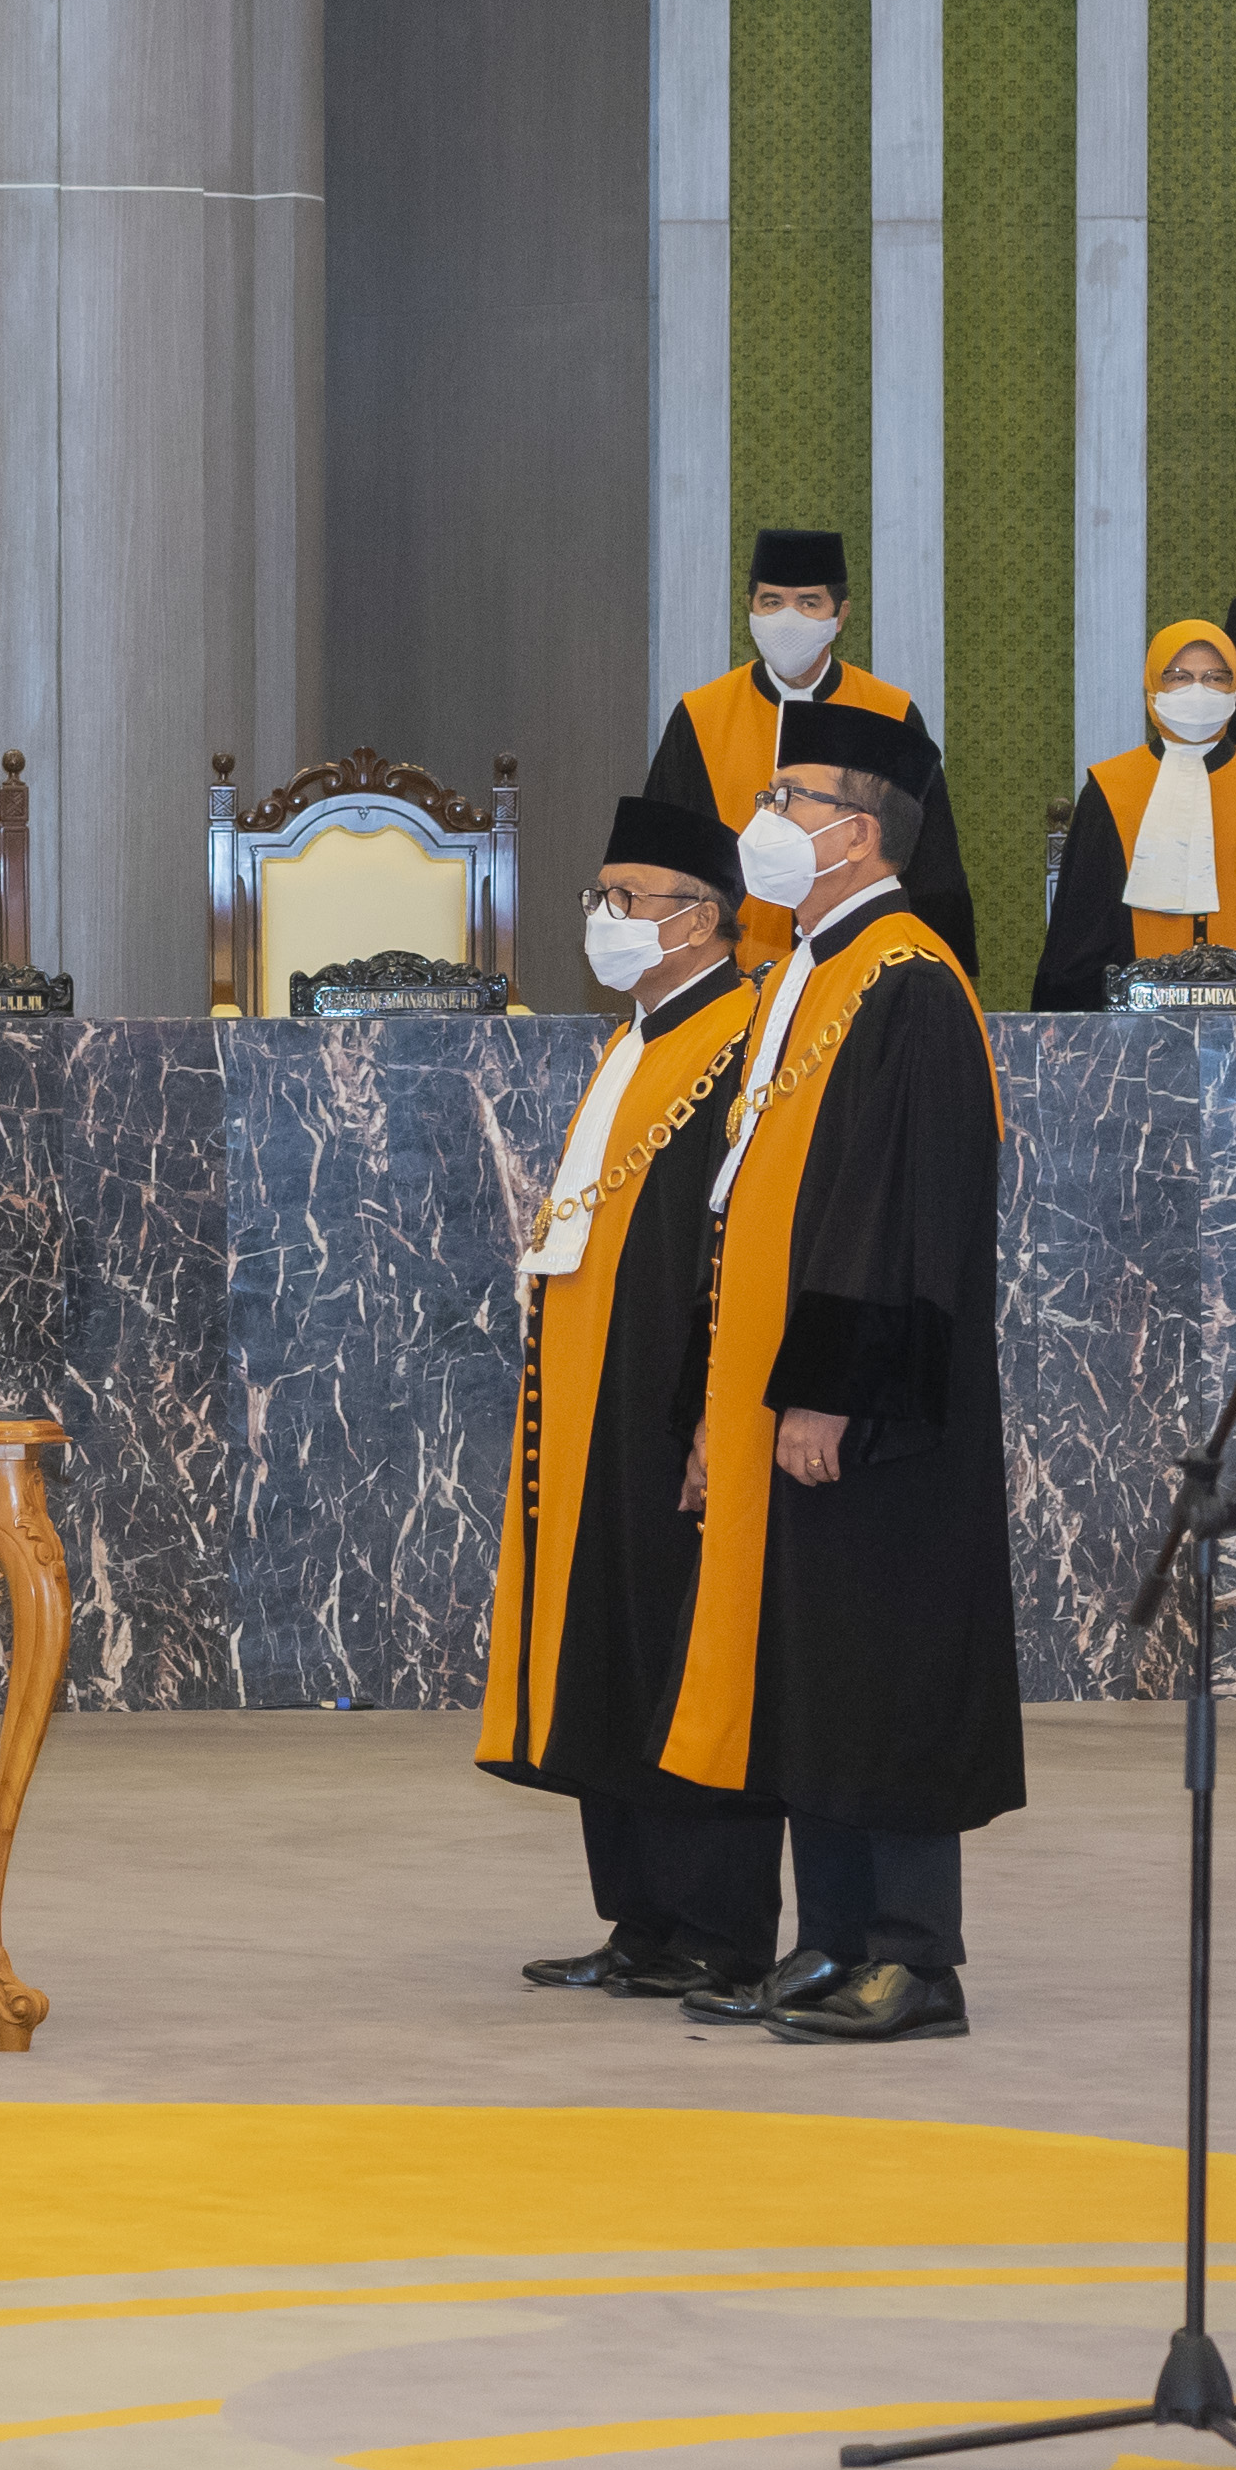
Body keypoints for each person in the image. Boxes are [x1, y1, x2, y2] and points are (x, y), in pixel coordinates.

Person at [654, 700, 1021, 2046]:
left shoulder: (907, 980)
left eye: (787, 801)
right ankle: (835, 1935)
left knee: (888, 1658)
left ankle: (916, 1956)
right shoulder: (809, 968)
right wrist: (717, 1403)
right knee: (814, 1663)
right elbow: (748, 1208)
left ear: (857, 831)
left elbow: (896, 1210)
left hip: (873, 1405)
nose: (762, 824)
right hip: (786, 1395)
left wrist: (834, 1390)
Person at [484, 798, 778, 1997]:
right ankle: (642, 1921)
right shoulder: (634, 1037)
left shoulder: (746, 1036)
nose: (604, 920)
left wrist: (715, 1399)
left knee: (680, 1647)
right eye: (598, 897)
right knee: (607, 1641)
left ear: (701, 918)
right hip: (592, 1386)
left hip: (675, 1389)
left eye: (628, 899)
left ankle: (718, 1923)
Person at [642, 527, 978, 969]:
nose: (788, 617)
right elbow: (662, 870)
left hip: (861, 975)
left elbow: (932, 875)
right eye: (771, 601)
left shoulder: (889, 713)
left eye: (808, 602)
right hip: (729, 981)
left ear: (840, 616)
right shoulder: (701, 717)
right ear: (750, 610)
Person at [1033, 620, 1236, 1011]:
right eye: (1179, 677)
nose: (1198, 690)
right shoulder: (1109, 789)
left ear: (1234, 690)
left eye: (1215, 678)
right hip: (1133, 1033)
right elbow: (1080, 938)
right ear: (1153, 687)